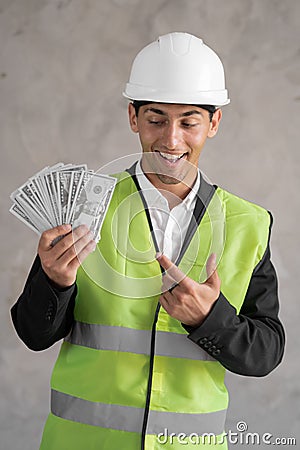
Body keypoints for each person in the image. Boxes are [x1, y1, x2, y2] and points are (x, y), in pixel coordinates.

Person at [11, 32, 285, 450]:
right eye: (156, 120)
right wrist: (54, 282)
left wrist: (209, 319)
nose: (171, 140)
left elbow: (265, 353)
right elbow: (34, 335)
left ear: (214, 123)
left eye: (189, 122)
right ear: (133, 118)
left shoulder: (249, 224)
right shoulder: (83, 207)